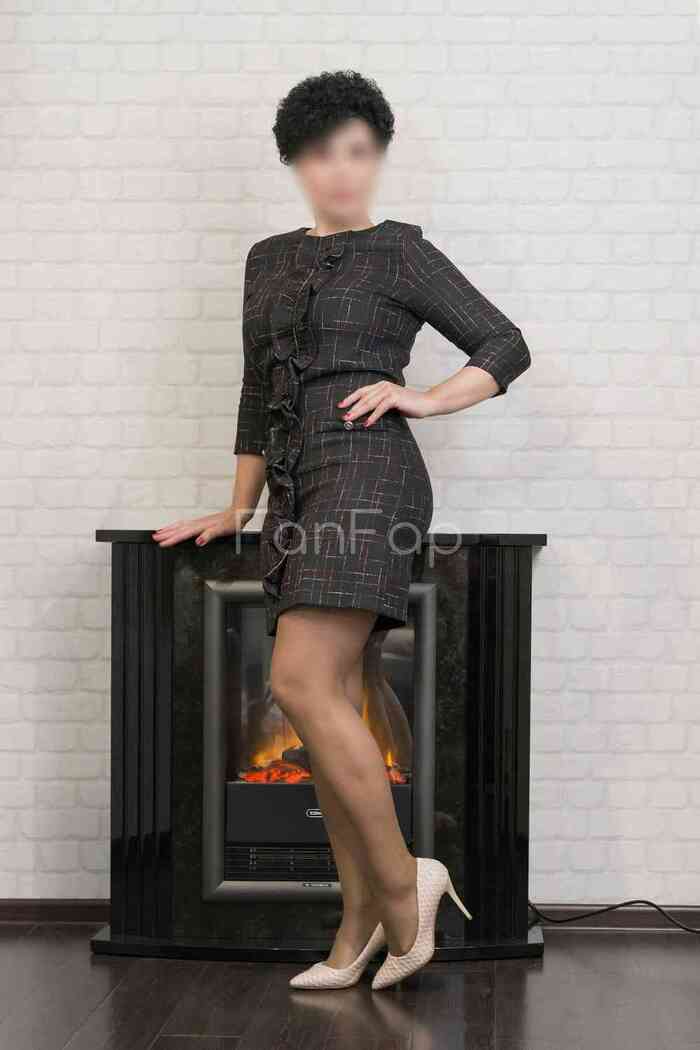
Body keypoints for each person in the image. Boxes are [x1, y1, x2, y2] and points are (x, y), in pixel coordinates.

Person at [152, 70, 531, 991]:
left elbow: (504, 345)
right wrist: (238, 507)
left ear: (379, 157)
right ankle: (359, 919)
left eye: (359, 151)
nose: (342, 170)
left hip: (370, 474)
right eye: (323, 153)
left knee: (296, 680)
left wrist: (422, 397)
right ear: (297, 162)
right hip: (295, 488)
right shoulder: (267, 259)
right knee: (328, 702)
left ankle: (406, 884)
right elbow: (257, 391)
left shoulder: (401, 251)